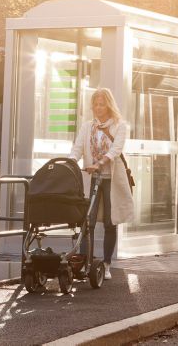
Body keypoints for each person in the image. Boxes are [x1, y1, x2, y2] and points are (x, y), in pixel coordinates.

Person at [70, 87, 134, 281]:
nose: (98, 108)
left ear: (109, 105)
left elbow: (116, 149)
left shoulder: (120, 125)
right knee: (86, 220)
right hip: (91, 178)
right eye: (95, 104)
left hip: (111, 179)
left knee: (109, 221)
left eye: (102, 104)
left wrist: (100, 163)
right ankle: (83, 262)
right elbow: (78, 148)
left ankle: (106, 264)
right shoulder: (87, 126)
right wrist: (70, 162)